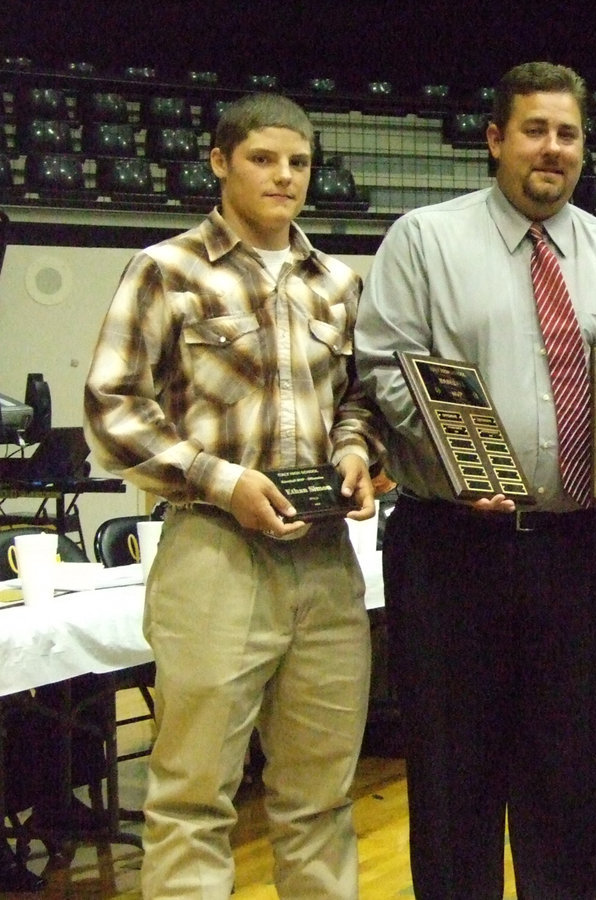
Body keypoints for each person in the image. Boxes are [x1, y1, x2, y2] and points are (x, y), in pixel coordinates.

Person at [354, 61, 596, 899]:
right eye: (534, 130)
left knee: (569, 774)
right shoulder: (424, 240)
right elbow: (384, 367)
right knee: (452, 776)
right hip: (449, 547)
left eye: (568, 134)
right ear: (495, 139)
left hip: (574, 549)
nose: (552, 148)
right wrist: (460, 463)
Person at [84, 93, 378, 898]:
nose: (284, 176)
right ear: (219, 162)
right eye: (263, 159)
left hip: (326, 560)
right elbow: (112, 408)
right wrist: (223, 480)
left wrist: (356, 453)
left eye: (299, 162)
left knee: (321, 797)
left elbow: (358, 400)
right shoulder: (165, 269)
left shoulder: (338, 284)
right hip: (213, 551)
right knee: (192, 799)